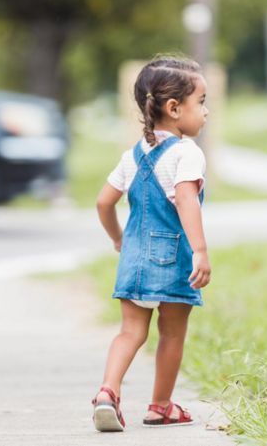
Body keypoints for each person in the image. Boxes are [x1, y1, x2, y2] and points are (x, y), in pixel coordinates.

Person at [91, 54, 211, 432]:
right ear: (174, 109)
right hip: (172, 253)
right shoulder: (186, 153)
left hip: (134, 254)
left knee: (130, 332)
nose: (206, 113)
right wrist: (201, 251)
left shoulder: (133, 155)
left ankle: (108, 392)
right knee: (172, 331)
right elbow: (187, 200)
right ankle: (161, 405)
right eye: (202, 102)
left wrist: (117, 239)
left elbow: (103, 201)